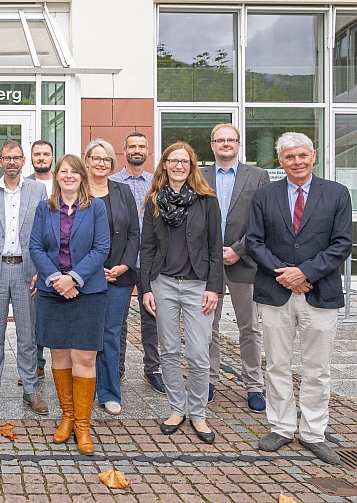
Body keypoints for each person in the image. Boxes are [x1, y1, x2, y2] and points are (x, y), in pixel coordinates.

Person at [247, 132, 352, 466]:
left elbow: (342, 244)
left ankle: (313, 432)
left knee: (317, 368)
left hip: (320, 292)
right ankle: (279, 426)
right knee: (277, 364)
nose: (297, 162)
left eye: (303, 156)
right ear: (281, 161)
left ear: (314, 156)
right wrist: (287, 273)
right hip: (276, 291)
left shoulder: (337, 193)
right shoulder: (264, 195)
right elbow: (254, 241)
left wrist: (305, 273)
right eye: (290, 157)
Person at [140, 142, 223, 445]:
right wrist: (146, 288)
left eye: (184, 161)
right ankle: (177, 409)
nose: (178, 166)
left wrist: (215, 287)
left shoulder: (206, 201)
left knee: (199, 354)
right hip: (163, 284)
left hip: (198, 285)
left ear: (191, 166)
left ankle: (198, 413)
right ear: (164, 165)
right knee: (171, 351)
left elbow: (215, 248)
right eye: (173, 161)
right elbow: (147, 249)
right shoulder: (154, 201)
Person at [29, 154, 110, 454]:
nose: (69, 176)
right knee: (60, 355)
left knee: (85, 358)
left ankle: (84, 425)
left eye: (74, 171)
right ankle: (67, 418)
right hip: (52, 291)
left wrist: (73, 279)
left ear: (82, 176)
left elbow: (102, 247)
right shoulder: (44, 208)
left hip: (88, 292)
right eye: (64, 171)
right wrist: (55, 279)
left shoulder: (96, 207)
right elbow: (35, 247)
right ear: (56, 176)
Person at [0, 140, 48, 415]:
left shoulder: (38, 190)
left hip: (28, 272)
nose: (12, 162)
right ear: (0, 161)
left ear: (23, 161)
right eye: (6, 158)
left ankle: (30, 390)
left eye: (16, 157)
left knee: (28, 335)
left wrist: (42, 270)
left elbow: (46, 233)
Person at [201, 124, 270, 410]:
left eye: (231, 140)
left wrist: (239, 250)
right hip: (208, 263)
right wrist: (214, 252)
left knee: (249, 327)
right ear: (212, 144)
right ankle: (208, 380)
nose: (226, 144)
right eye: (221, 140)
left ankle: (254, 385)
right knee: (207, 326)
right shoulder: (200, 175)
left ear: (239, 144)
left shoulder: (258, 176)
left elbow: (264, 219)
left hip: (245, 262)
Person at [84, 139, 139, 416]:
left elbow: (133, 234)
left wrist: (125, 265)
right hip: (85, 276)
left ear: (112, 163)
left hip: (119, 276)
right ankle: (85, 390)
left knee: (111, 333)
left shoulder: (123, 191)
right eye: (96, 158)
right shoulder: (79, 192)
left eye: (105, 159)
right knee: (86, 335)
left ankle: (109, 393)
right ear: (87, 161)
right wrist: (90, 270)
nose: (101, 163)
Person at [109, 132, 164, 393]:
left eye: (142, 146)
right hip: (121, 261)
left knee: (152, 317)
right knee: (117, 320)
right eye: (132, 146)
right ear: (124, 150)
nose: (137, 150)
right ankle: (115, 369)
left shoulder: (157, 183)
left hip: (151, 262)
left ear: (148, 150)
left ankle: (152, 369)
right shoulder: (111, 182)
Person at [24, 139, 55, 382]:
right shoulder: (25, 185)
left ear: (52, 157)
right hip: (34, 258)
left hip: (61, 257)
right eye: (37, 154)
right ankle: (37, 364)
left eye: (46, 154)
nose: (41, 158)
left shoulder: (64, 181)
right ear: (31, 158)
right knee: (35, 317)